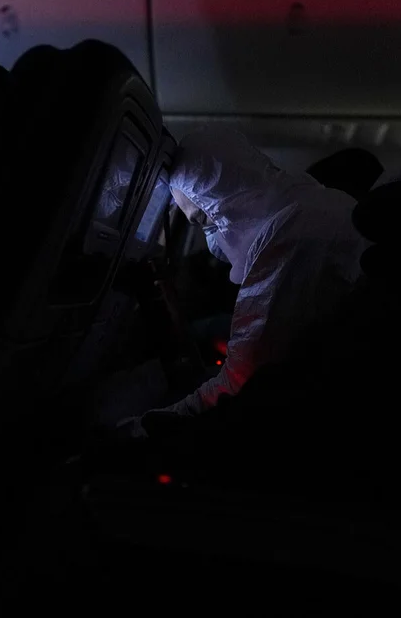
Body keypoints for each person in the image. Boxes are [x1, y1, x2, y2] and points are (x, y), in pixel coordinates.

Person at [122, 126, 368, 436]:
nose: (211, 240)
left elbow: (239, 383)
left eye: (203, 219)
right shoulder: (312, 203)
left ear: (223, 198)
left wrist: (139, 430)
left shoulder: (287, 236)